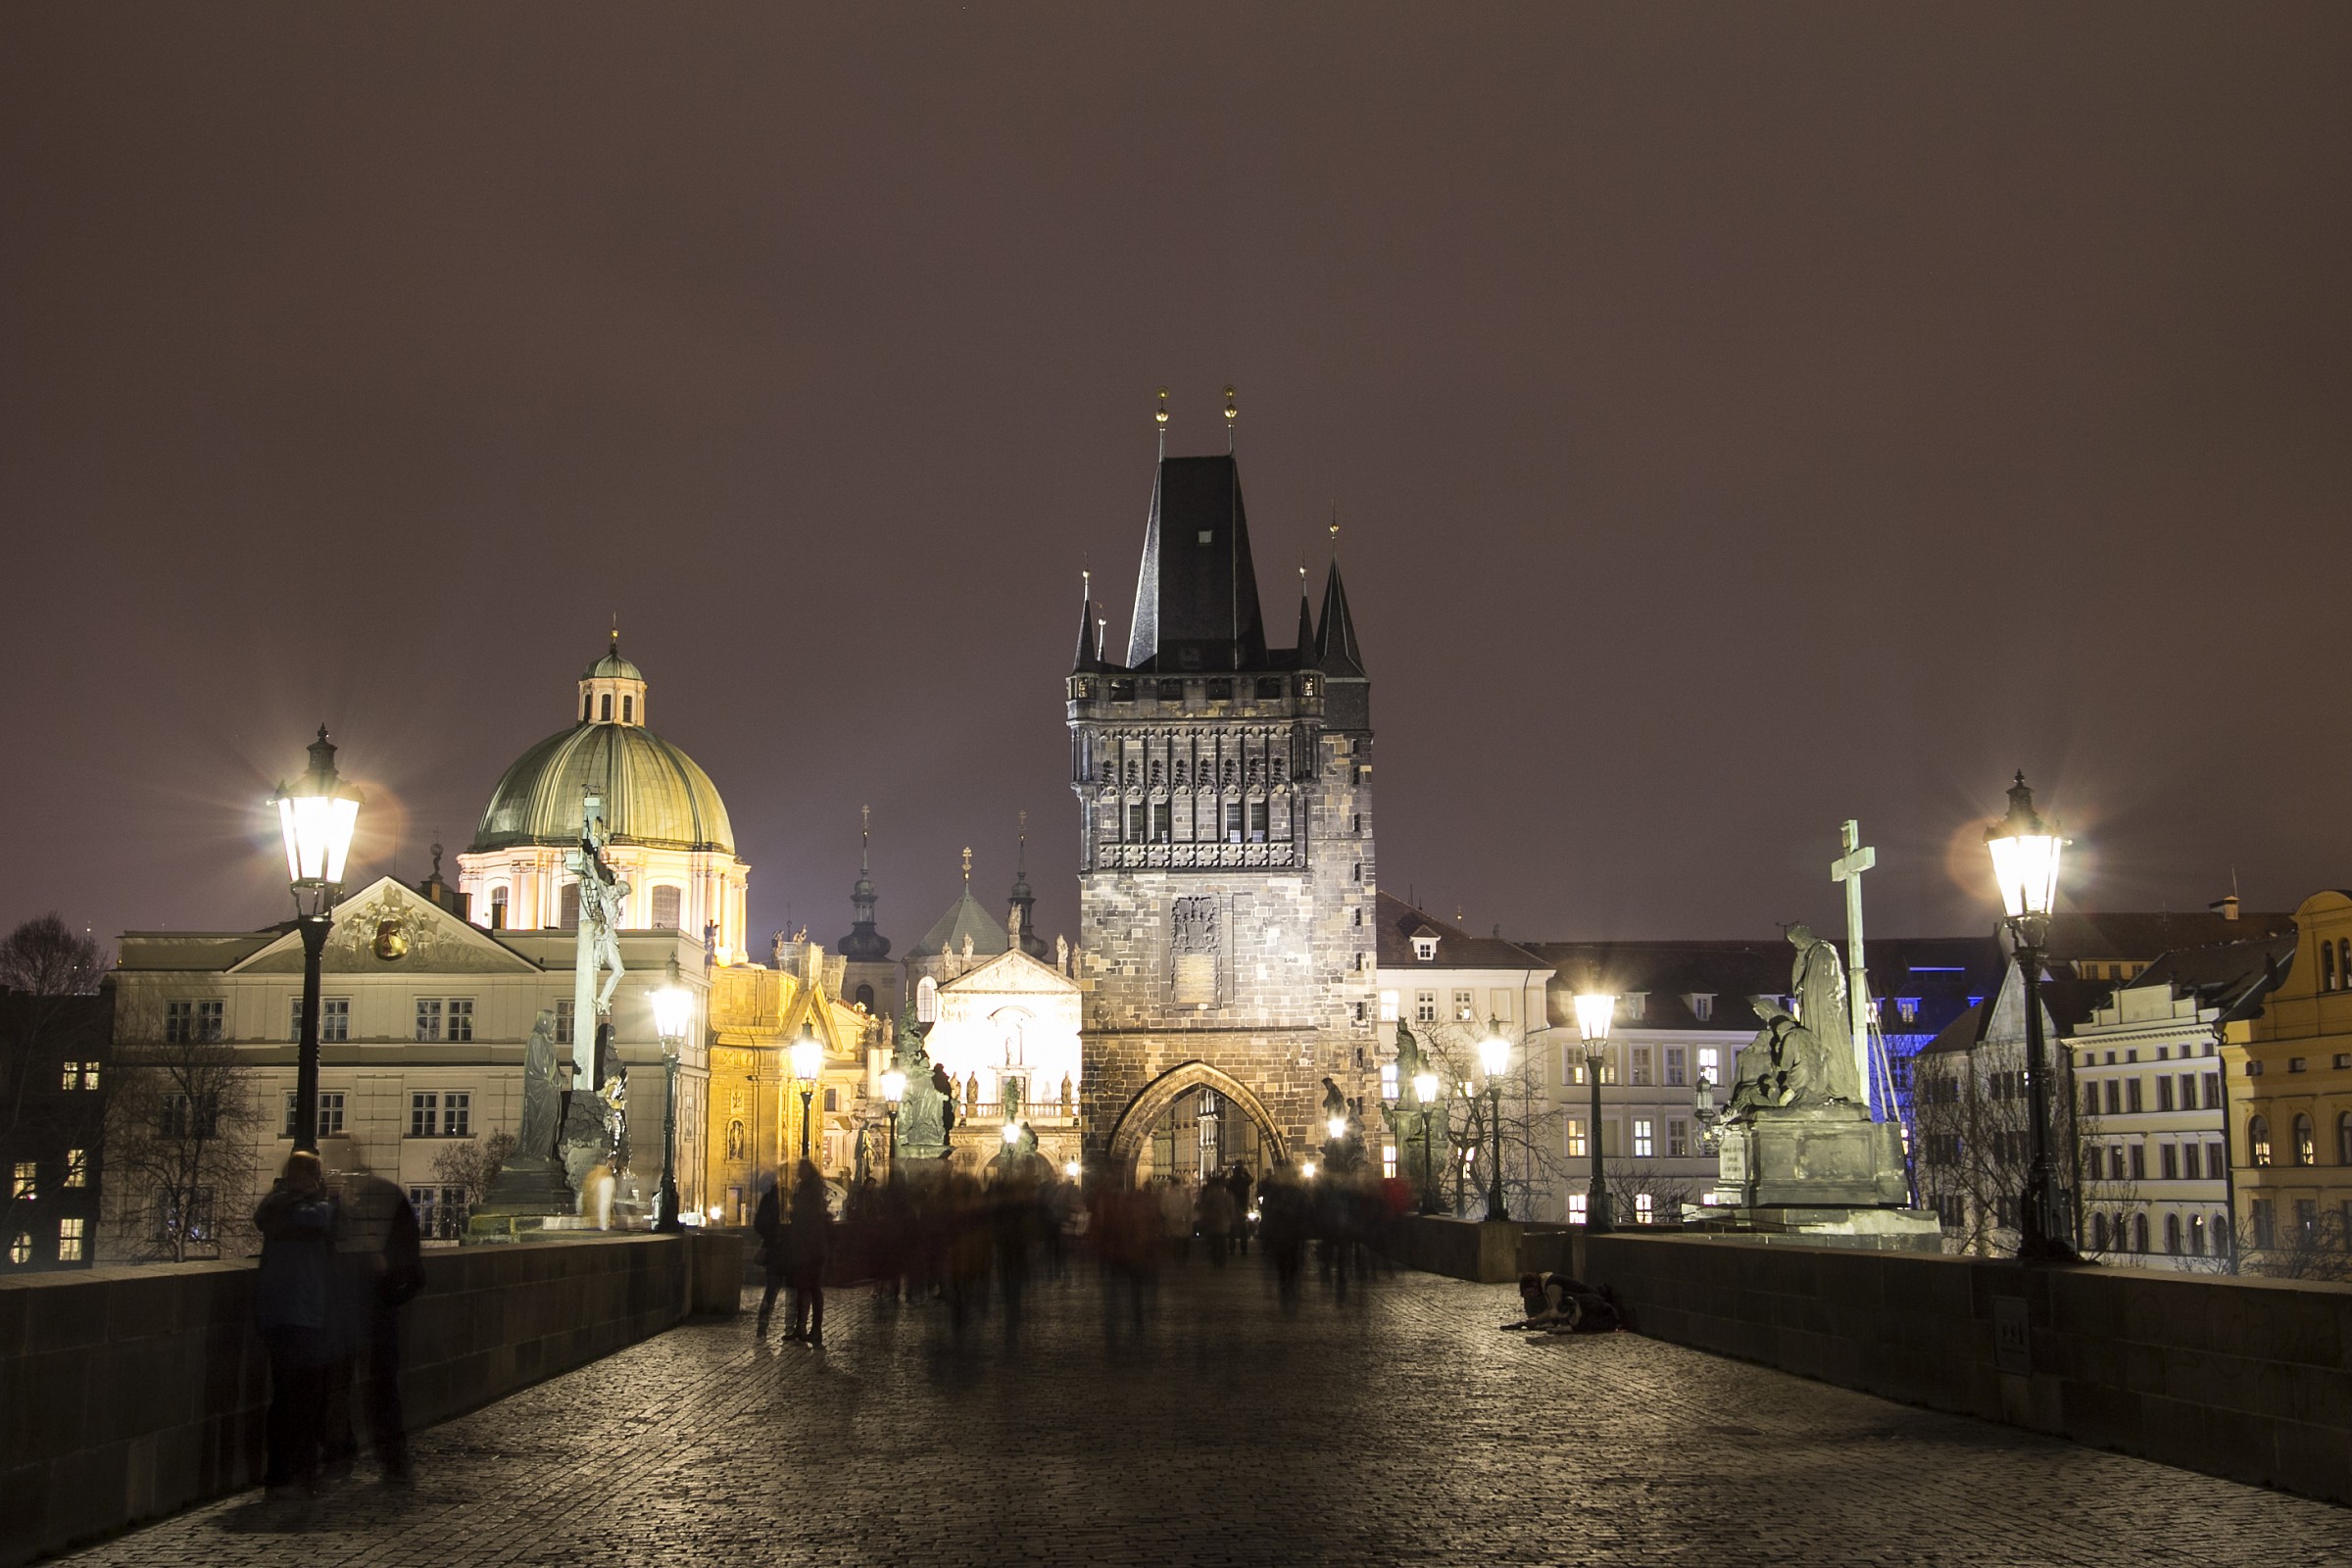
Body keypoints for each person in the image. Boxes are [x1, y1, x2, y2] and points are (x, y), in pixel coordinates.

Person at [320, 1173, 425, 1483]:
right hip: (359, 1307)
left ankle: (368, 1458)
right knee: (362, 1388)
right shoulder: (363, 1199)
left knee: (367, 1387)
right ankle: (382, 1459)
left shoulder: (353, 1201)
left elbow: (408, 1261)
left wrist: (389, 1281)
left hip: (366, 1307)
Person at [253, 1150, 339, 1494]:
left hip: (275, 1314)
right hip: (304, 1314)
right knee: (306, 1398)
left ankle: (278, 1472)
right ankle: (303, 1471)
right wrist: (330, 1196)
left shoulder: (274, 1208)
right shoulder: (306, 1211)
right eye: (315, 1174)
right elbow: (325, 1218)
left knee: (285, 1396)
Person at [785, 1160, 833, 1346]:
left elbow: (806, 1215)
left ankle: (815, 1329)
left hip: (811, 1247)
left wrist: (795, 1212)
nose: (798, 1172)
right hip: (806, 1246)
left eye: (801, 1169)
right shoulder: (804, 1188)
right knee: (803, 1288)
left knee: (812, 1288)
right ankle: (802, 1326)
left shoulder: (810, 1191)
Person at [753, 1174, 789, 1333]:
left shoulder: (769, 1198)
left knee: (772, 1288)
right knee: (791, 1290)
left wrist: (769, 1237)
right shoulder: (787, 1197)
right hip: (787, 1250)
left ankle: (763, 1322)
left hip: (774, 1249)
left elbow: (758, 1224)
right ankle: (791, 1326)